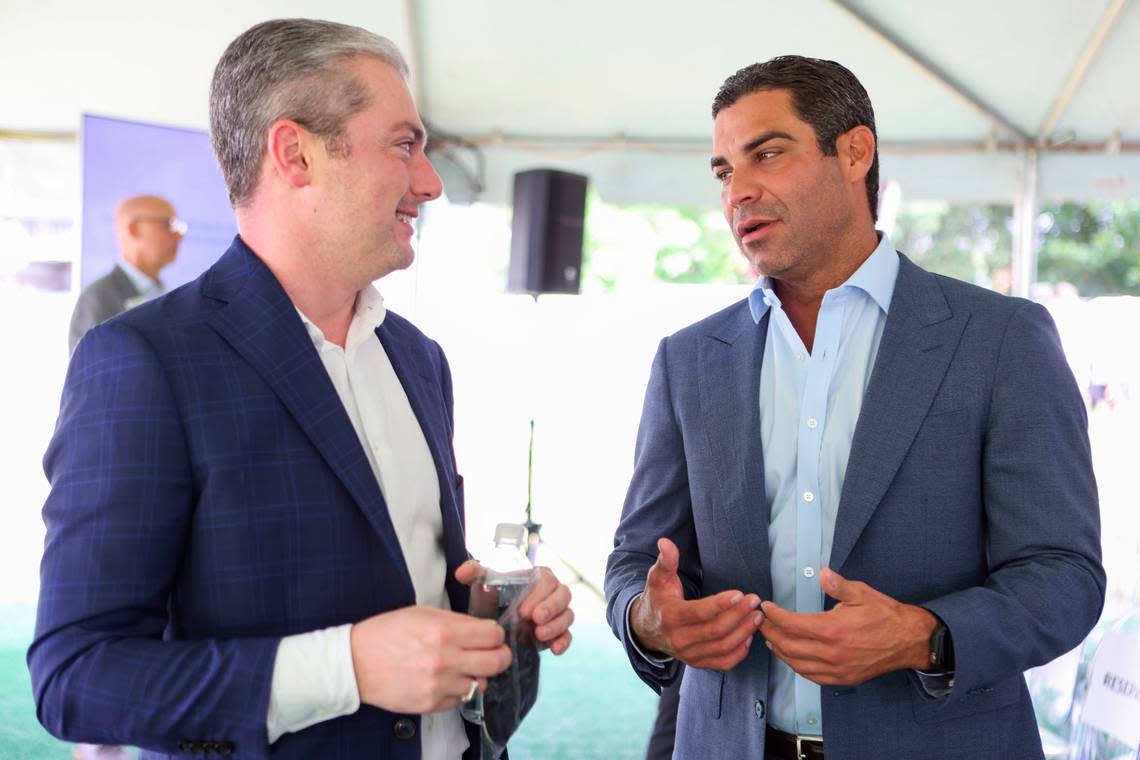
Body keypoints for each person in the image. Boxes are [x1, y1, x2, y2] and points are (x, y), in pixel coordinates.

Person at [30, 19, 573, 760]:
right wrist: (344, 668)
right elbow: (75, 677)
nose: (431, 182)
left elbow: (401, 578)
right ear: (295, 154)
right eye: (403, 144)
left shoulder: (419, 359)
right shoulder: (145, 360)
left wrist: (487, 610)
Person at [605, 56, 1104, 760]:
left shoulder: (999, 340)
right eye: (723, 172)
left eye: (767, 155)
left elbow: (1064, 574)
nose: (738, 192)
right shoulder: (688, 359)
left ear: (854, 152)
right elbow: (636, 557)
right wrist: (648, 618)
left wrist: (925, 635)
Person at [68, 194, 184, 353]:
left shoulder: (165, 293)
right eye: (168, 225)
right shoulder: (98, 298)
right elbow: (93, 372)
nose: (179, 235)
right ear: (134, 228)